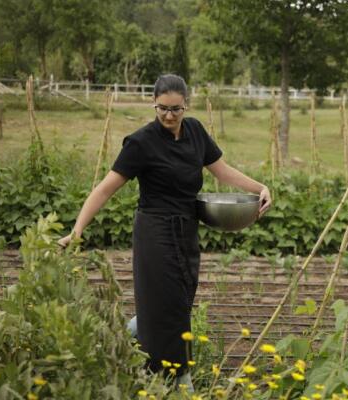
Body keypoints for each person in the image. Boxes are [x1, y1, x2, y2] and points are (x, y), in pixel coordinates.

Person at [58, 74, 272, 390]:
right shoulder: (141, 143)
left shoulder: (196, 131)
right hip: (154, 233)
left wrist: (260, 187)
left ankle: (115, 342)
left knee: (178, 303)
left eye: (176, 109)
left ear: (186, 105)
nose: (169, 116)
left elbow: (222, 171)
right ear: (154, 104)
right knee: (171, 311)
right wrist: (76, 232)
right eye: (162, 109)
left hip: (186, 230)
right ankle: (178, 381)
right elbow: (104, 190)